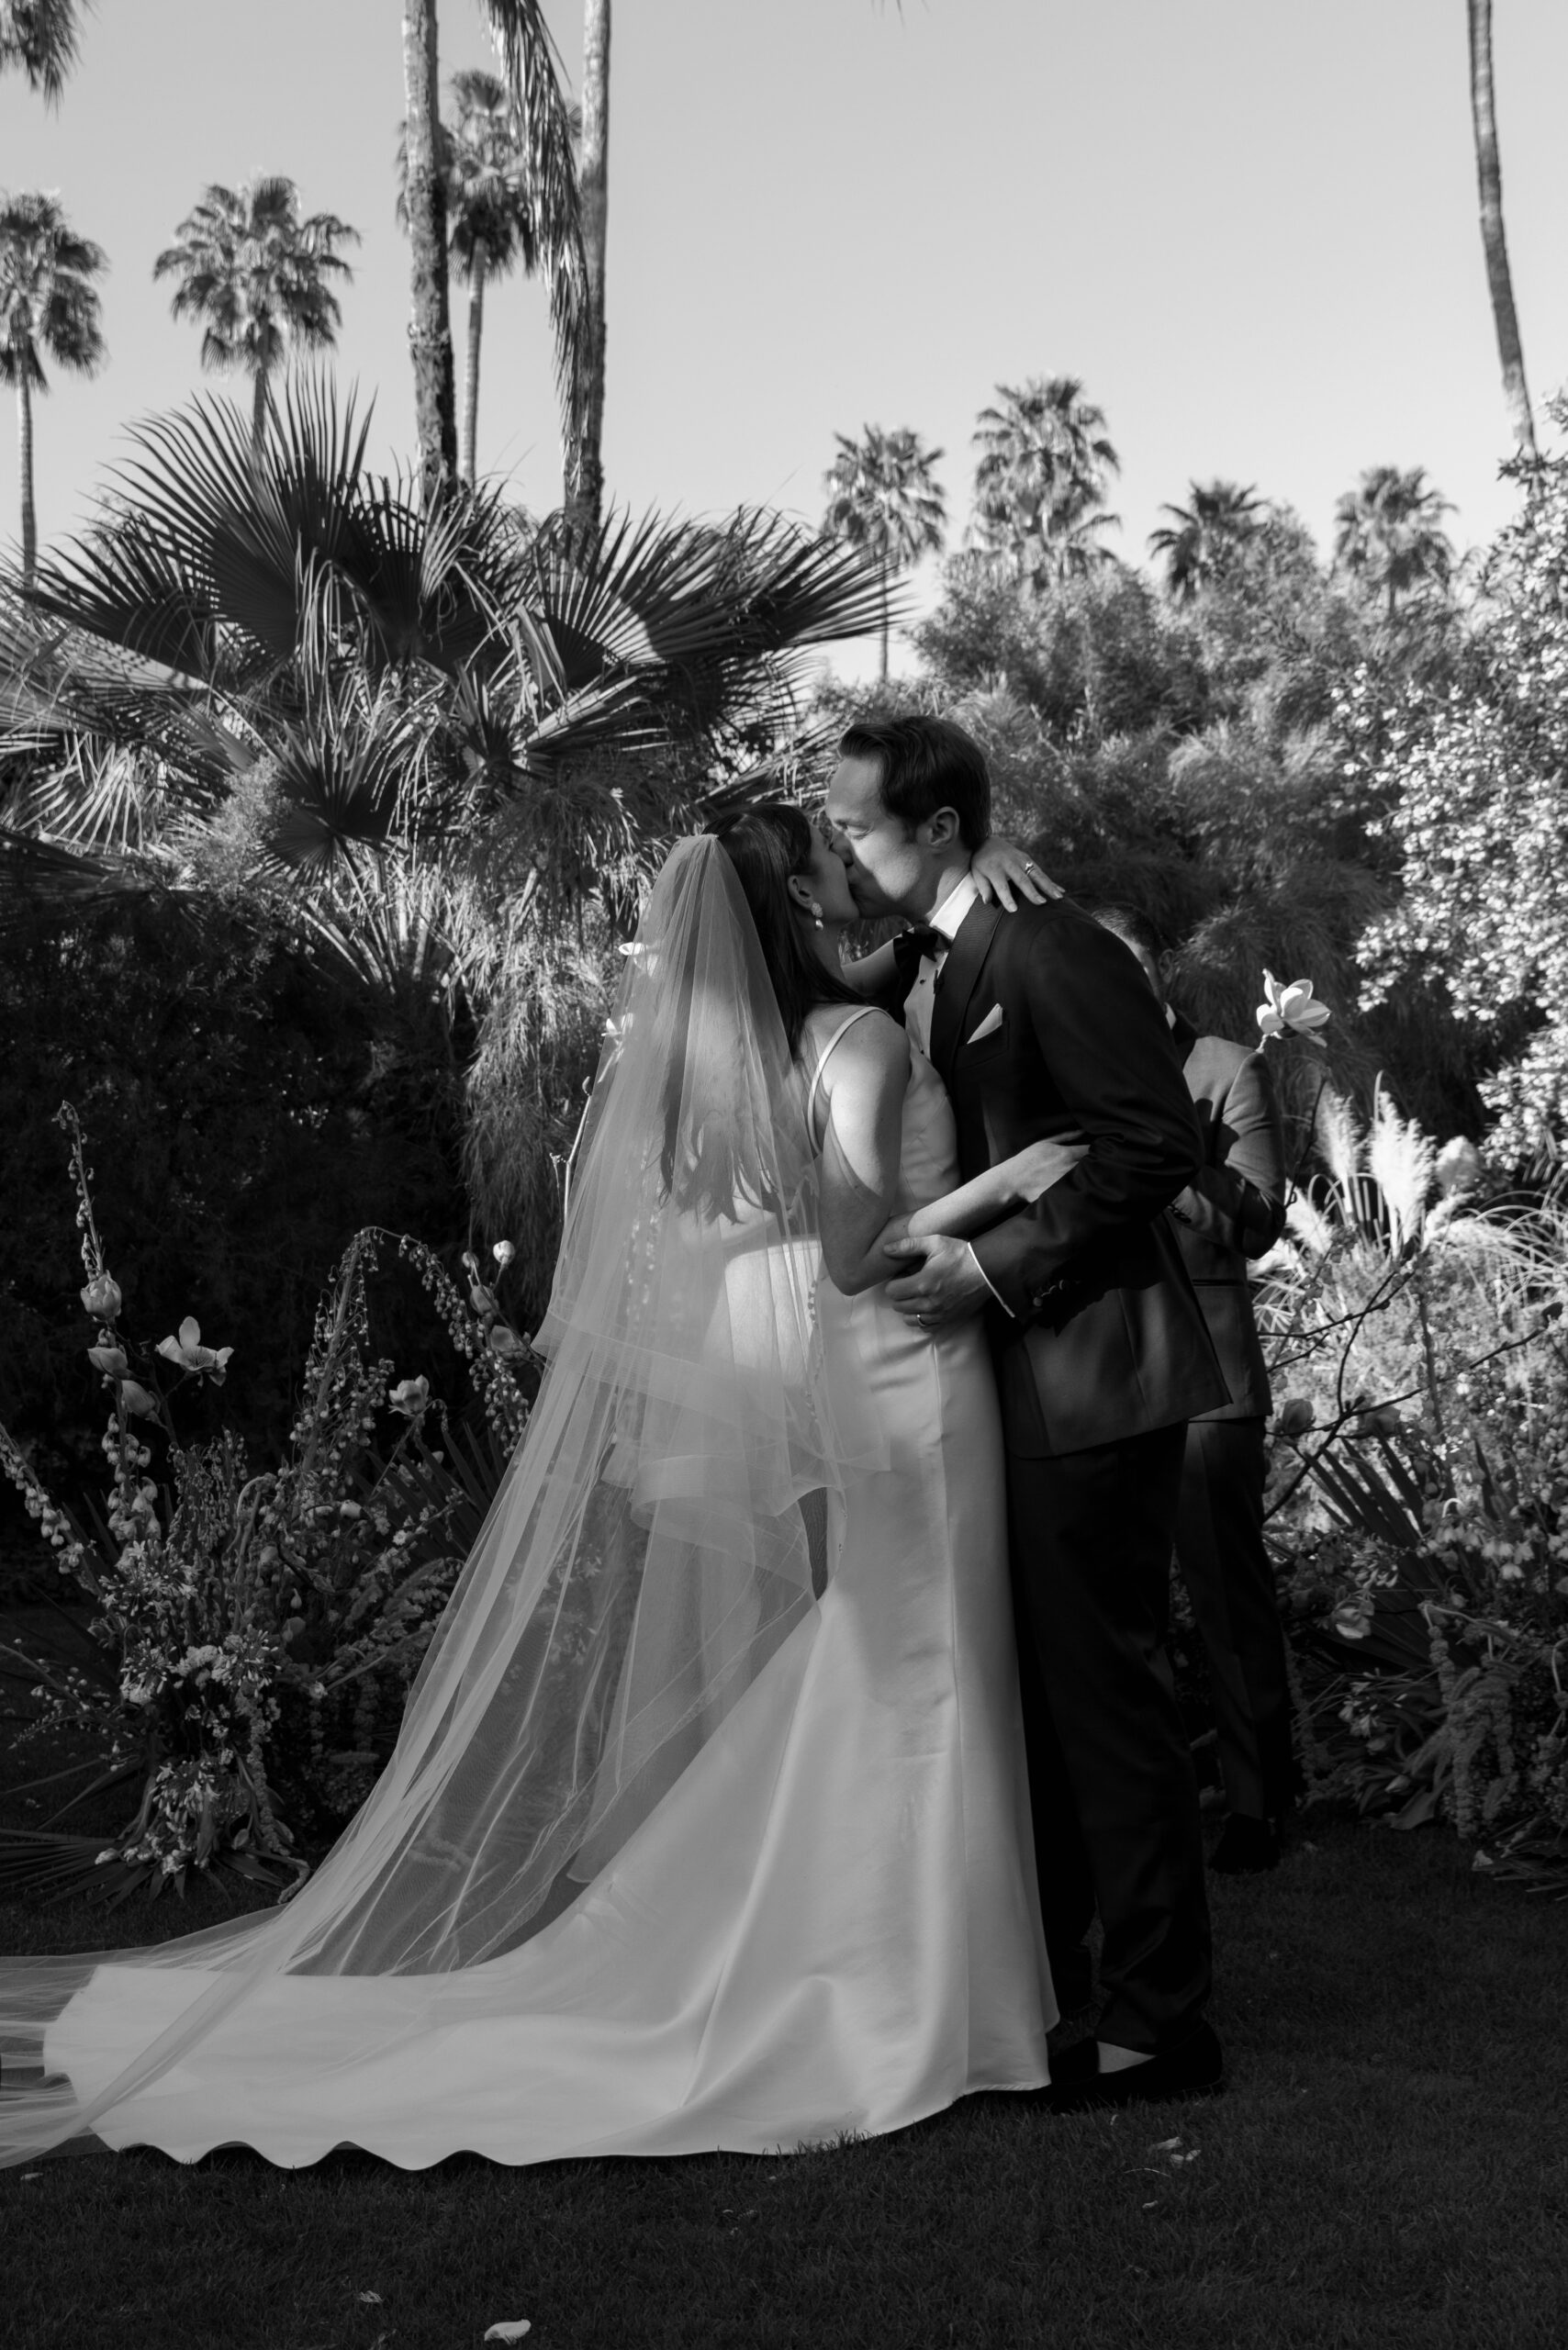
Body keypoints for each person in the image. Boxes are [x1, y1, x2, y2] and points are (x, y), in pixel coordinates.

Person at [0, 811, 1083, 2172]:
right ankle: (914, 1996)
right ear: (790, 903)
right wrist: (1013, 1180)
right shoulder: (847, 1045)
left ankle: (915, 1974)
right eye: (824, 862)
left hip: (874, 1383)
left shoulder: (760, 1049)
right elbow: (860, 1256)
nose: (848, 875)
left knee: (894, 1666)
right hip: (909, 1382)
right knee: (917, 1666)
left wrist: (971, 886)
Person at [823, 713, 1230, 2110]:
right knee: (1052, 1706)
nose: (839, 842)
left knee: (1110, 1700)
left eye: (858, 821)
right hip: (1006, 1390)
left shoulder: (1054, 945)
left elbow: (1151, 1144)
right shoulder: (929, 948)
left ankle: (1162, 2028)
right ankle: (1066, 1985)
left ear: (938, 828)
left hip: (1092, 1376)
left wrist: (993, 1268)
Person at [1087, 903, 1294, 1873]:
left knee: (1223, 1592)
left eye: (1123, 968)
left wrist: (1168, 1164)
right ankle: (1137, 1799)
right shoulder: (1069, 1072)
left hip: (1206, 1374)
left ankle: (1257, 1802)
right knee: (1105, 1611)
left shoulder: (1225, 1068)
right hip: (1091, 1369)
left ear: (1153, 974)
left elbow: (1255, 1223)